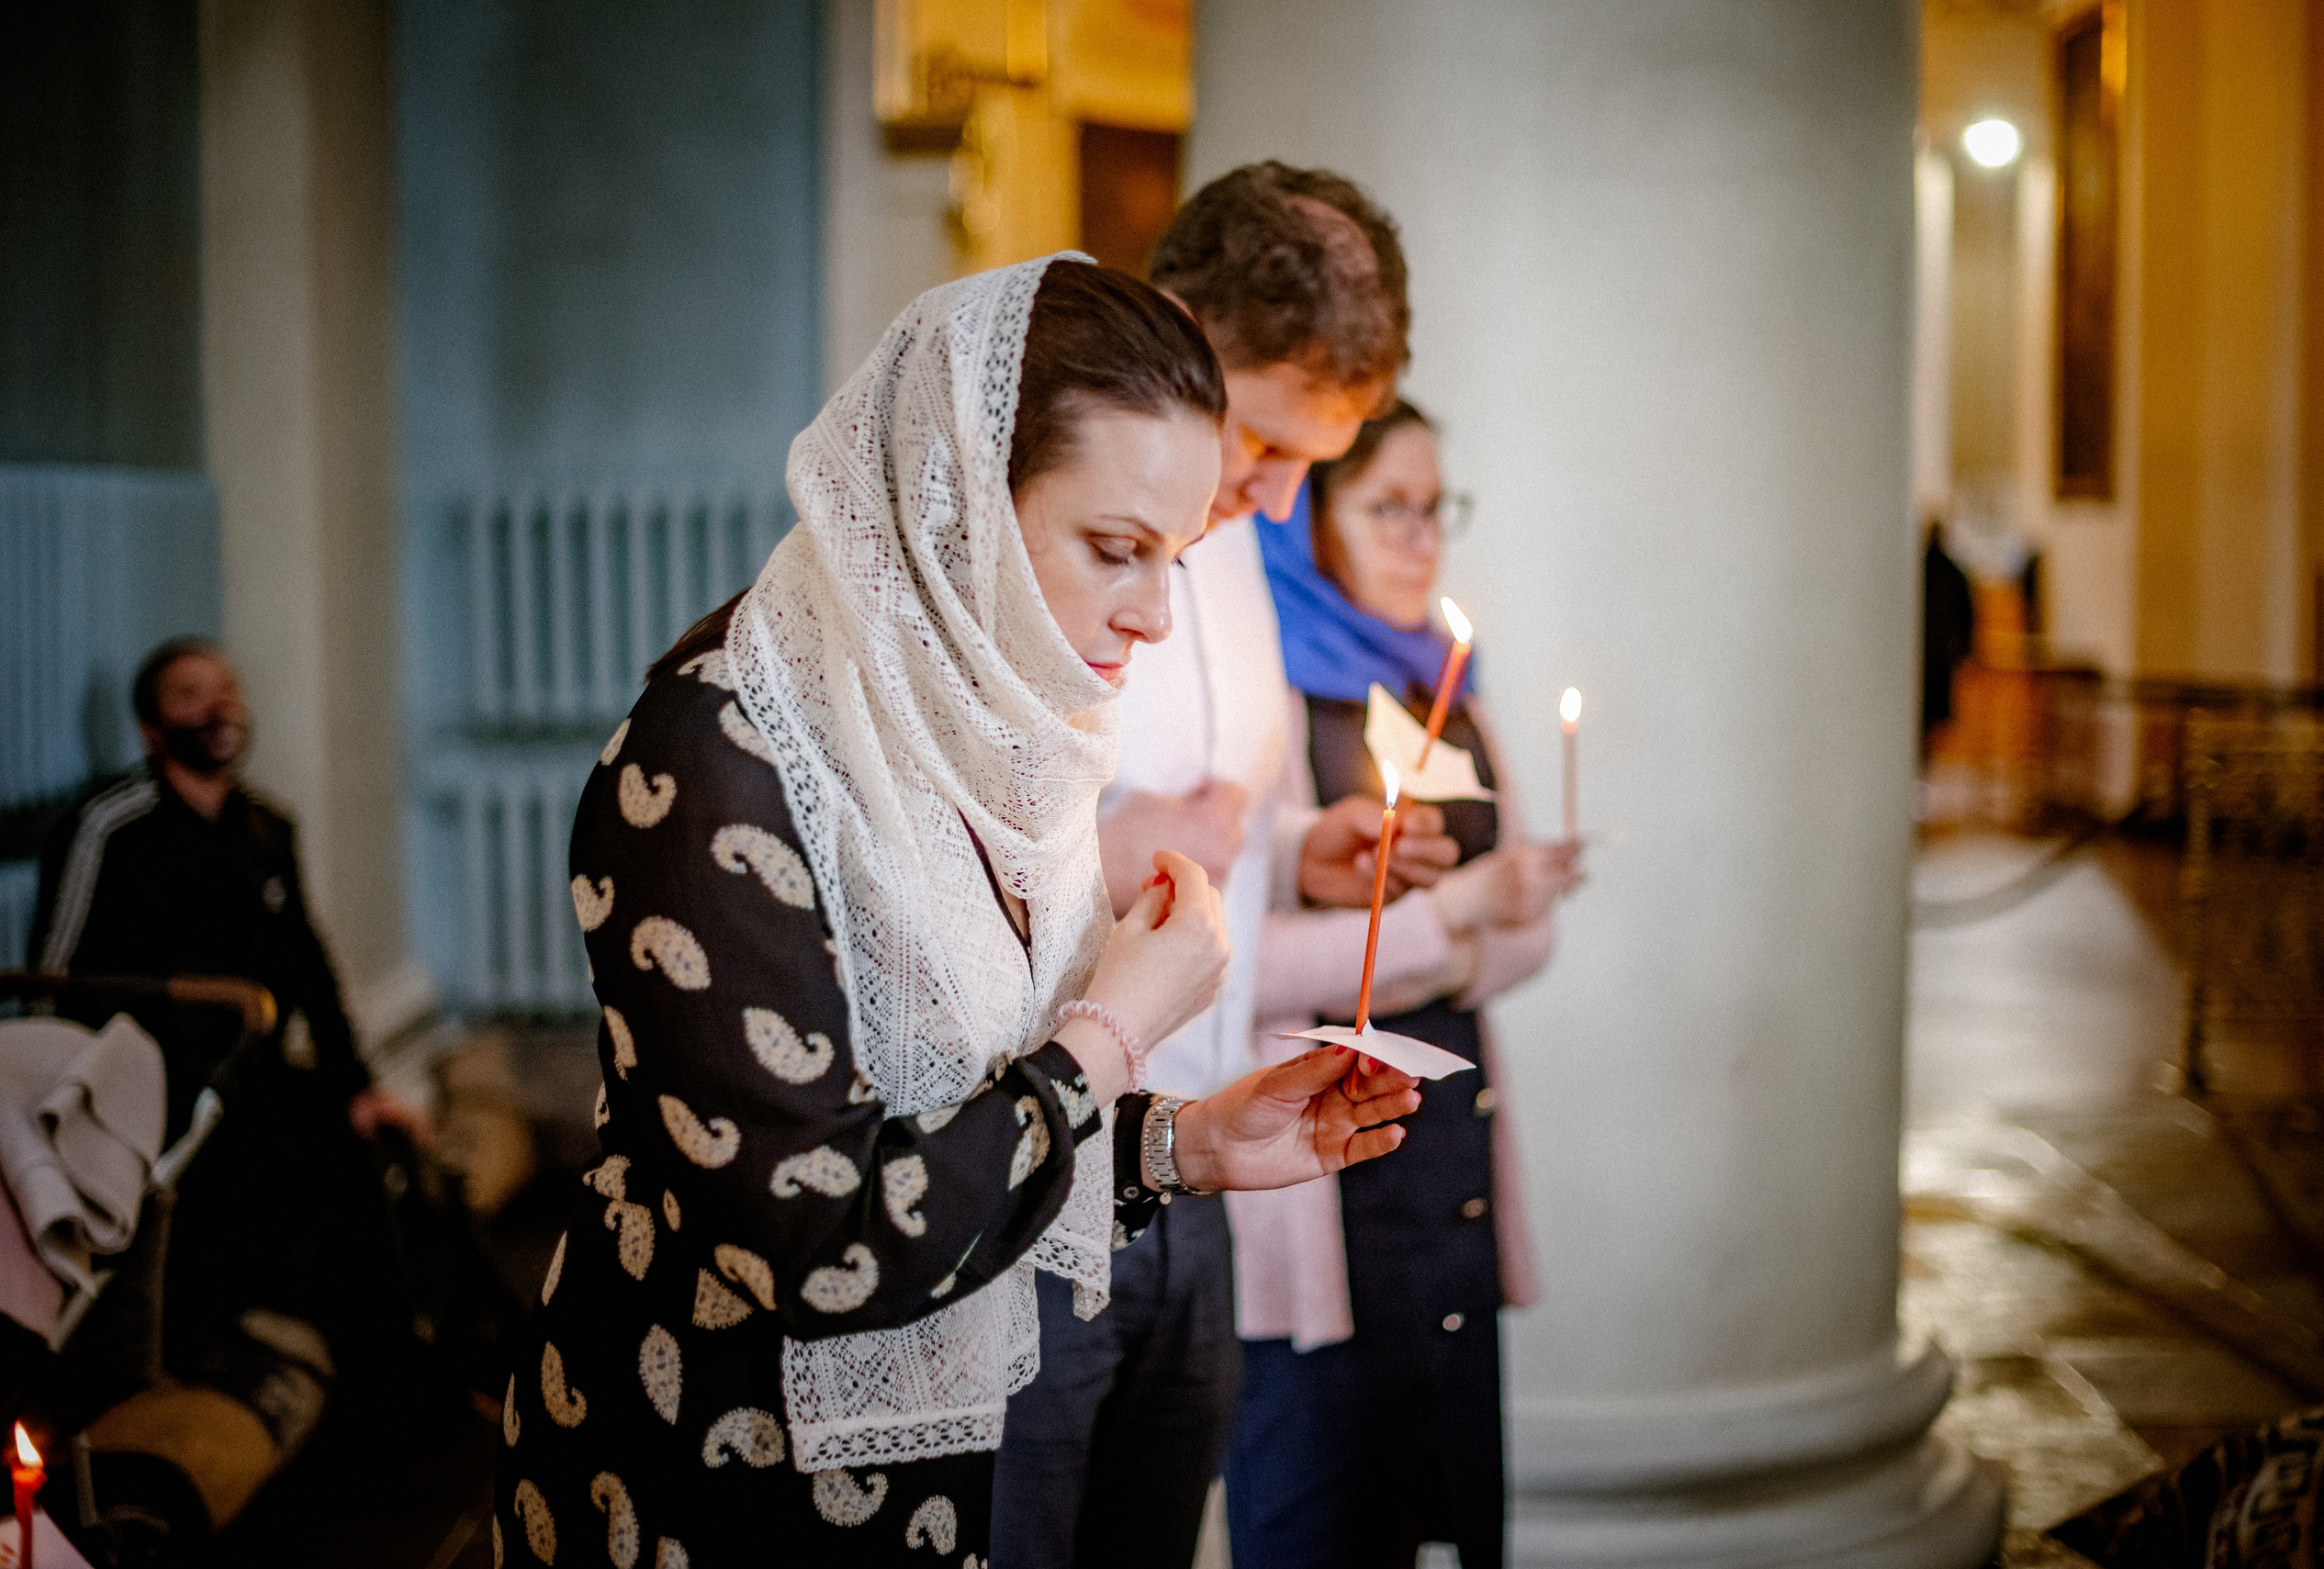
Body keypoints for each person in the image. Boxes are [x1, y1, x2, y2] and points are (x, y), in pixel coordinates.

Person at [491, 255, 1425, 1566]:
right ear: (958, 502)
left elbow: (961, 1124)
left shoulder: (988, 740)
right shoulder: (711, 758)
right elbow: (826, 1243)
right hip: (719, 1480)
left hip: (931, 1480)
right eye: (1117, 549)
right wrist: (1113, 1027)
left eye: (1177, 557)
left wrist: (1184, 1148)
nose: (1157, 614)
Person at [992, 163, 1456, 1569]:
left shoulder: (1237, 524)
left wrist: (1304, 852)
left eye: (1315, 459)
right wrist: (1110, 848)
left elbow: (1217, 808)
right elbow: (948, 838)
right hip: (1024, 1174)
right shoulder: (1049, 501)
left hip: (1188, 1170)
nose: (1276, 496)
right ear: (1175, 330)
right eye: (1267, 441)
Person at [1223, 403, 1580, 1569]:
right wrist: (1456, 917)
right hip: (1320, 1174)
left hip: (1444, 1166)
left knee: (1446, 1504)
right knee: (1318, 1507)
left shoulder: (1448, 688)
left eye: (1436, 509)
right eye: (1389, 507)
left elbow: (1527, 938)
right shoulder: (1264, 692)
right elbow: (1241, 965)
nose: (1422, 540)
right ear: (1314, 519)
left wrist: (1473, 926)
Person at [28, 637, 422, 1540]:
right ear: (150, 722)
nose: (218, 708)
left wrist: (359, 1086)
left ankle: (385, 1401)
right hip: (156, 1088)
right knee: (255, 1181)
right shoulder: (110, 824)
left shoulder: (265, 826)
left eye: (228, 690)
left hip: (250, 1078)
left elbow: (311, 966)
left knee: (358, 1154)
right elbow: (56, 977)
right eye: (191, 693)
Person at [1920, 517, 1975, 762]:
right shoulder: (1953, 571)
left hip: (1923, 654)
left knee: (1920, 713)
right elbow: (1967, 616)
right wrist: (1964, 650)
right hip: (1941, 654)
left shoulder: (1919, 568)